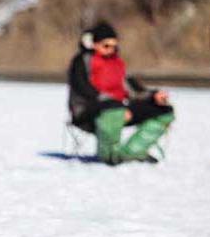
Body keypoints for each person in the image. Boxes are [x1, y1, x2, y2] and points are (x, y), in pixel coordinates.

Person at [67, 21, 175, 164]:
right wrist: (114, 105)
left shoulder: (117, 63)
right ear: (94, 44)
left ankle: (133, 152)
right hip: (88, 110)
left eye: (114, 46)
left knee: (164, 111)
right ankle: (110, 155)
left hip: (118, 108)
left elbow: (132, 90)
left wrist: (153, 95)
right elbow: (82, 88)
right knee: (113, 109)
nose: (111, 49)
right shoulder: (82, 61)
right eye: (106, 45)